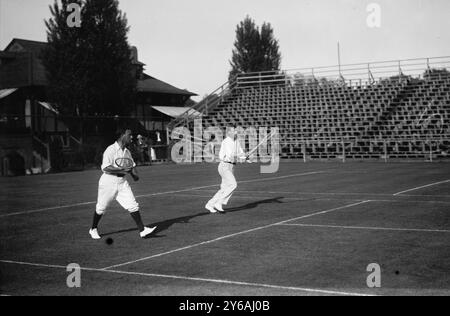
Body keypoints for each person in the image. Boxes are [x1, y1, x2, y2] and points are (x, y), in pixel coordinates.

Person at [89, 127, 156, 240]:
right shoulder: (110, 150)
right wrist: (123, 170)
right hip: (108, 182)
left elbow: (132, 167)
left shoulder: (127, 152)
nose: (132, 137)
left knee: (133, 205)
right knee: (101, 208)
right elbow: (106, 168)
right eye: (129, 135)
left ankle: (142, 230)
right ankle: (93, 229)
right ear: (122, 136)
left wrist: (134, 174)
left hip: (122, 182)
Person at [205, 127, 248, 214]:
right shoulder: (226, 141)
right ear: (229, 133)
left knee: (224, 188)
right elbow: (230, 155)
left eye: (235, 130)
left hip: (231, 166)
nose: (235, 131)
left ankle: (210, 204)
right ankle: (219, 202)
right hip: (224, 165)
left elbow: (240, 153)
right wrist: (241, 157)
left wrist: (246, 157)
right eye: (233, 130)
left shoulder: (237, 141)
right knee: (233, 184)